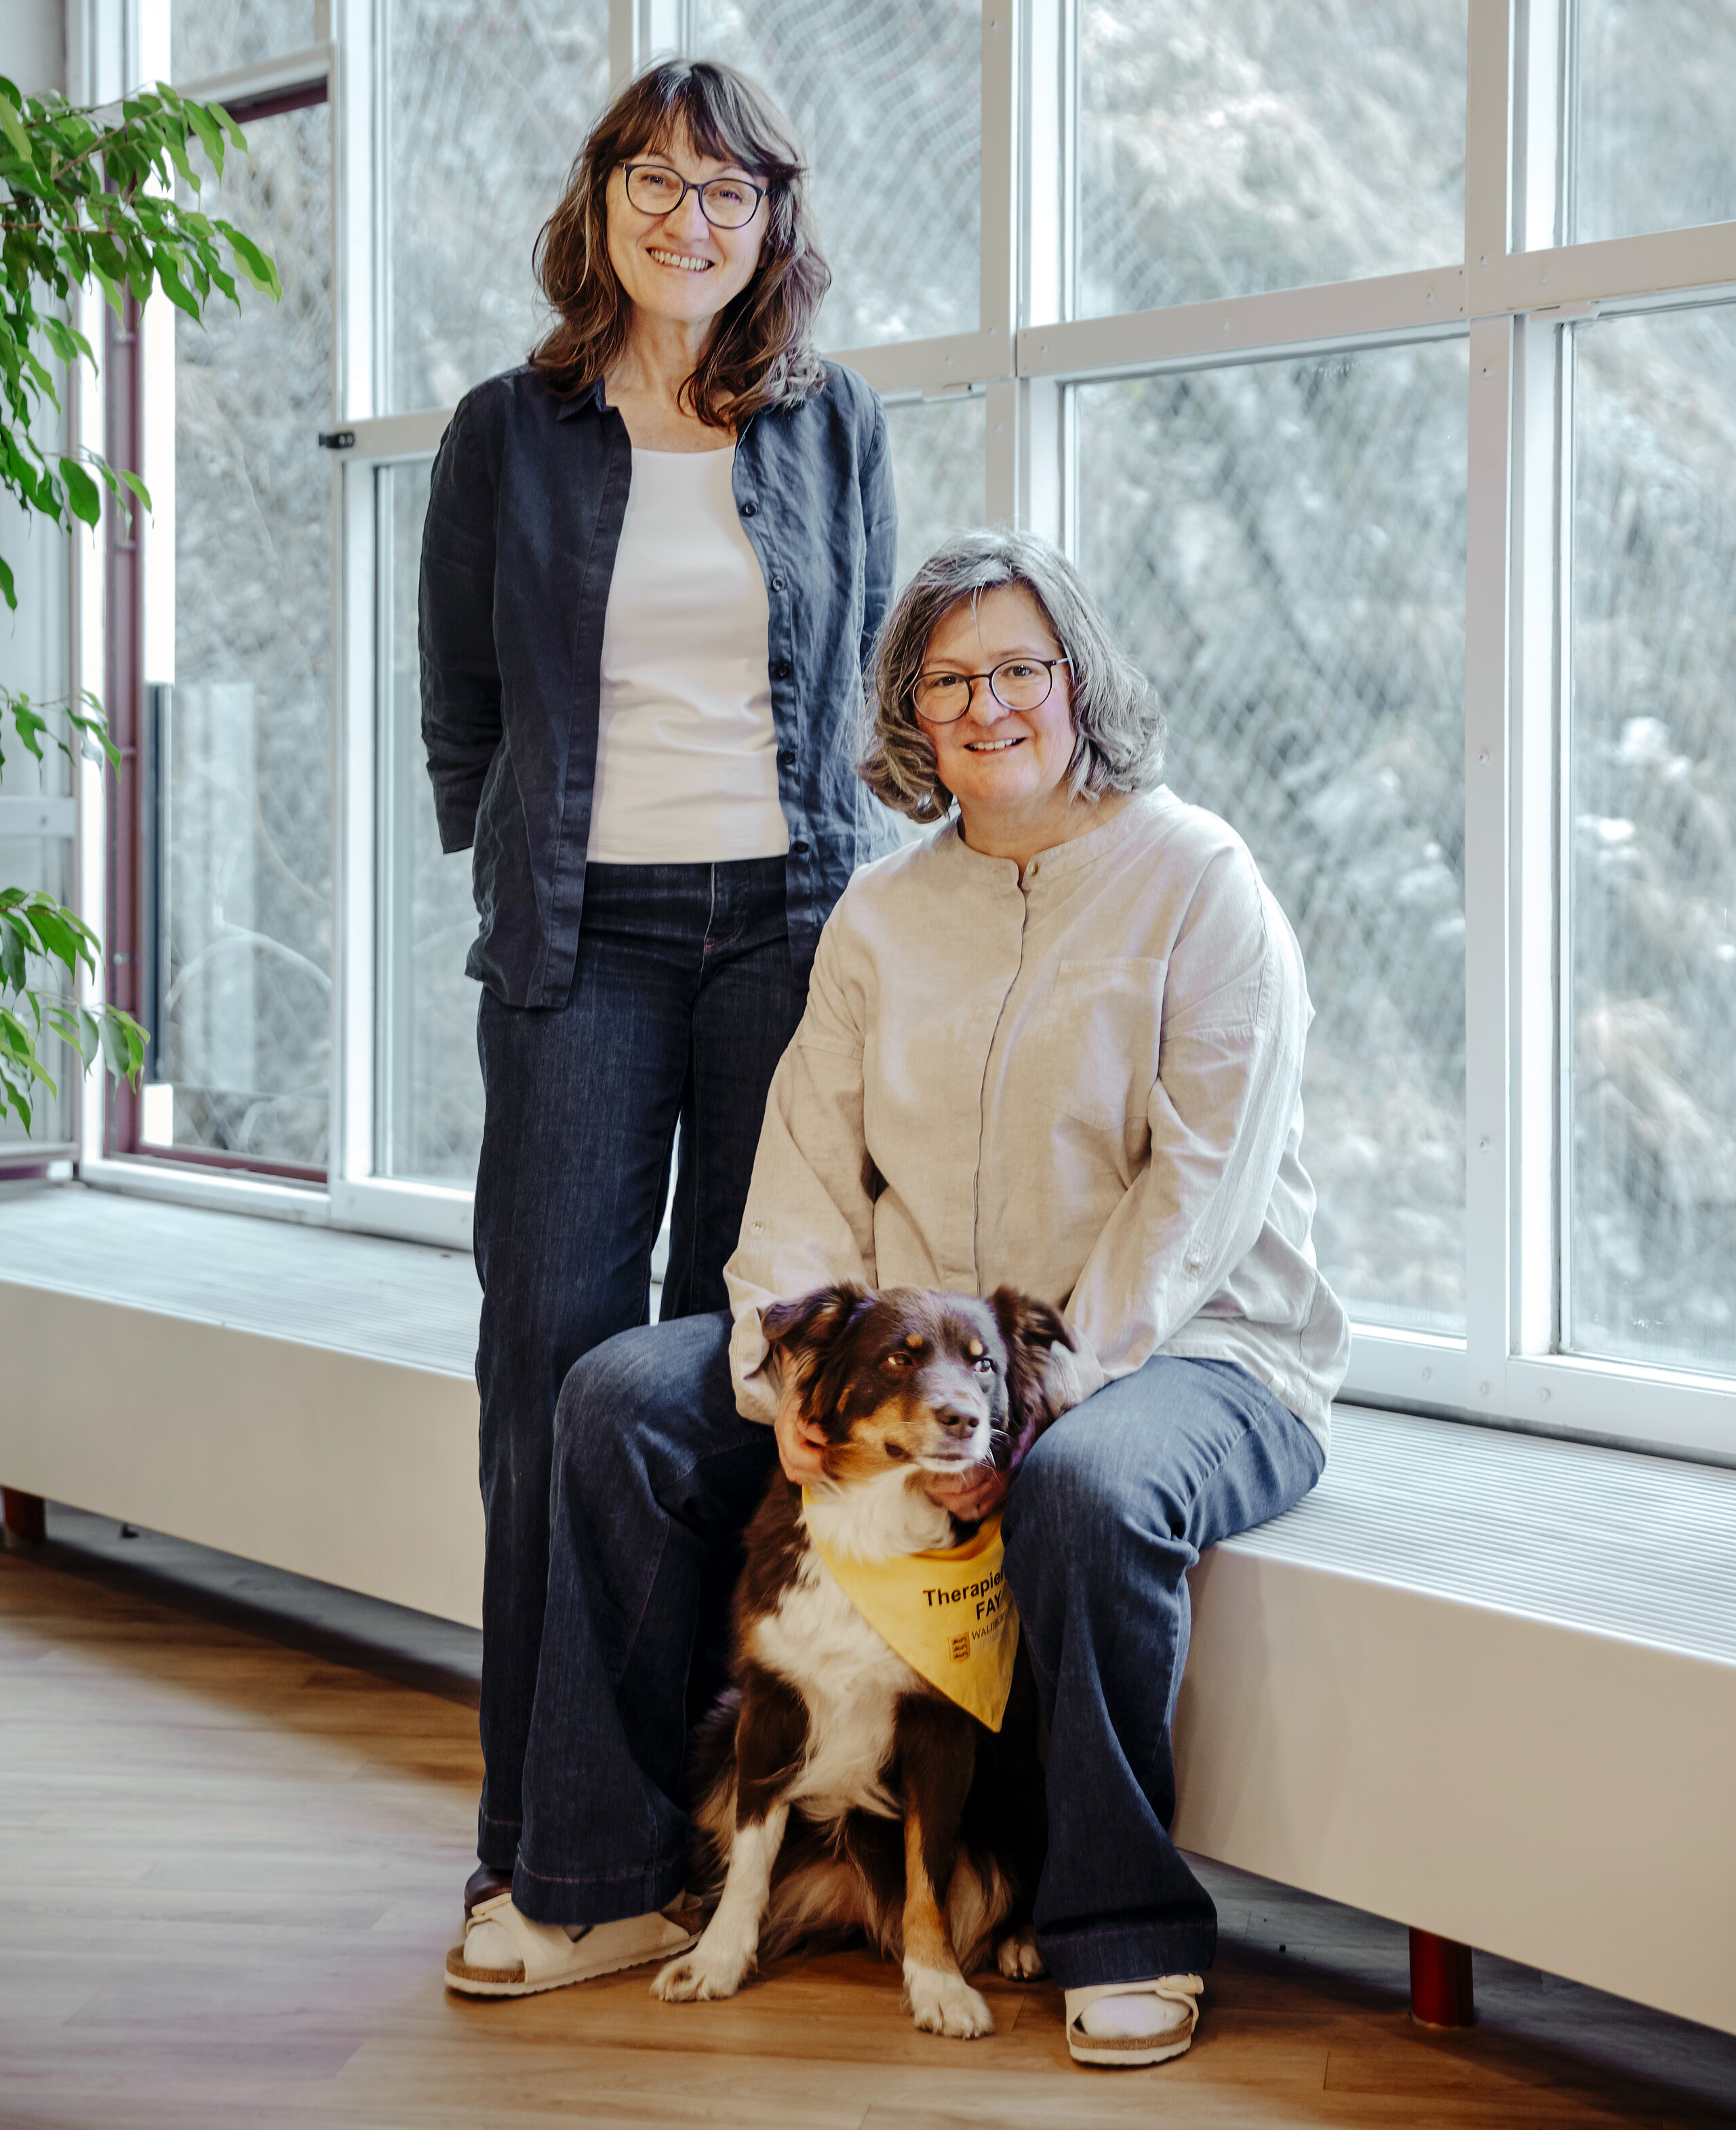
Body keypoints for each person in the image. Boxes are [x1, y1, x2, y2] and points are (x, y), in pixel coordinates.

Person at [443, 530, 1348, 2070]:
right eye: (947, 681)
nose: (987, 706)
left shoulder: (1198, 880)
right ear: (908, 716)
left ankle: (1120, 1927)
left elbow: (1197, 1197)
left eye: (1019, 669)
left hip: (1192, 1351)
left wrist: (1035, 1402)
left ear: (1079, 682)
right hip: (923, 1360)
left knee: (1082, 1488)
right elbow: (804, 1163)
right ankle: (603, 1880)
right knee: (614, 1400)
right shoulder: (878, 914)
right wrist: (779, 1383)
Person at [420, 58, 899, 1927]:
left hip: (784, 935)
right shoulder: (506, 428)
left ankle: (715, 1829)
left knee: (735, 1371)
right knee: (545, 1372)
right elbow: (462, 702)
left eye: (729, 191)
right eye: (658, 181)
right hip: (581, 938)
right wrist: (523, 849)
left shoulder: (833, 421)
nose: (690, 220)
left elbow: (858, 683)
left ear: (771, 223)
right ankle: (543, 1843)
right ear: (602, 196)